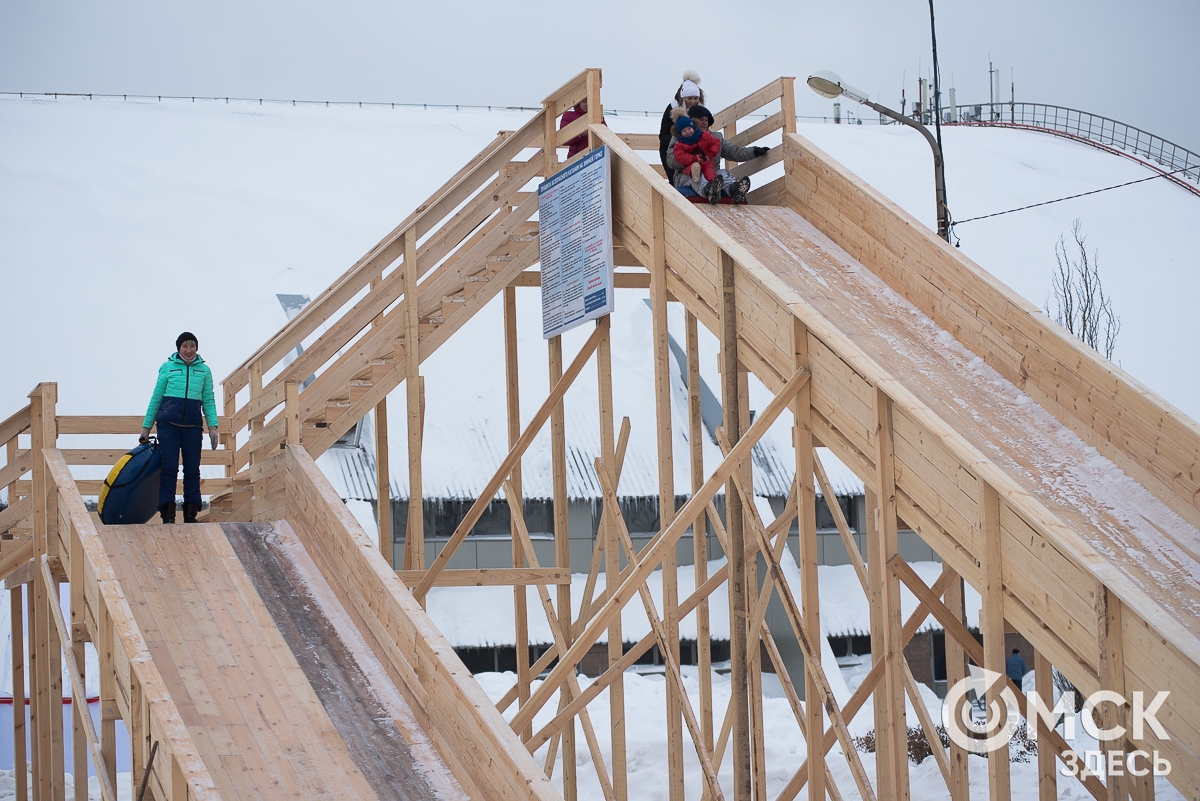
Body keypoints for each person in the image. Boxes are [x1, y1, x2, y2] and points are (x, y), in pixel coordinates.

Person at [140, 332, 219, 524]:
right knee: (169, 468)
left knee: (192, 469)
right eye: (185, 346)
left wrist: (213, 427)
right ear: (178, 348)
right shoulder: (167, 367)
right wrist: (146, 427)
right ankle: (167, 514)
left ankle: (191, 514)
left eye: (192, 346)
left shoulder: (204, 370)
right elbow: (156, 398)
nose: (189, 350)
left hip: (192, 426)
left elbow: (208, 399)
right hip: (168, 425)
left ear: (197, 348)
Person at [667, 104, 771, 203]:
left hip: (711, 173)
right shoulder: (680, 138)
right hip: (687, 175)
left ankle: (734, 190)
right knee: (696, 175)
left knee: (722, 173)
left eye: (706, 120)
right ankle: (708, 190)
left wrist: (754, 151)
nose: (704, 122)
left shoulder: (714, 138)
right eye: (701, 119)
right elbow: (671, 159)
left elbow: (734, 152)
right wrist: (693, 158)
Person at [658, 71, 705, 183]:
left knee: (696, 180)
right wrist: (682, 141)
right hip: (672, 151)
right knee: (677, 182)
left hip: (694, 151)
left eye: (695, 98)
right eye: (689, 98)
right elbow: (663, 134)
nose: (693, 101)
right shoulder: (671, 109)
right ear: (683, 98)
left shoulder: (700, 111)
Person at [672, 116, 722, 200]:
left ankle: (713, 185)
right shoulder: (679, 144)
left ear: (693, 127)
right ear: (680, 134)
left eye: (689, 129)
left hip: (704, 161)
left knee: (709, 170)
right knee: (694, 172)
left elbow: (716, 142)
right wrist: (693, 159)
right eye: (684, 131)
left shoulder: (703, 136)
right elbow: (679, 156)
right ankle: (706, 188)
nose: (688, 132)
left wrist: (709, 154)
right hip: (691, 164)